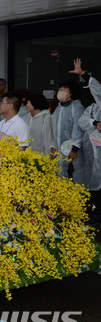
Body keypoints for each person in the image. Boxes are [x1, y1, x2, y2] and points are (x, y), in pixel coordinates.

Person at [70, 58, 101, 225]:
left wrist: (84, 74)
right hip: (92, 151)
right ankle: (97, 214)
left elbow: (97, 89)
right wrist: (95, 123)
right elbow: (83, 122)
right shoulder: (92, 108)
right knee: (93, 182)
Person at [50, 78, 85, 182]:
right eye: (60, 88)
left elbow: (78, 130)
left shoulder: (77, 108)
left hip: (74, 149)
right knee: (60, 172)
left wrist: (75, 149)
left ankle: (80, 196)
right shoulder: (59, 108)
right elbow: (55, 129)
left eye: (64, 88)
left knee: (77, 173)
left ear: (71, 93)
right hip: (60, 148)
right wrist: (54, 146)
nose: (60, 90)